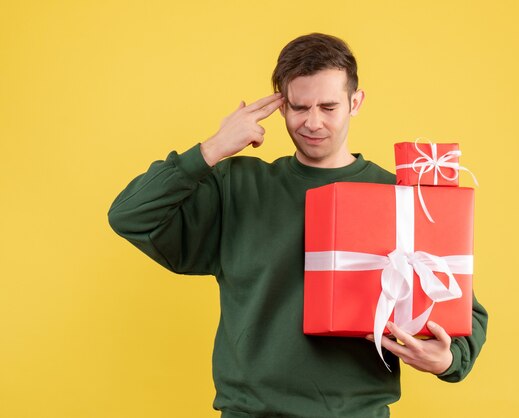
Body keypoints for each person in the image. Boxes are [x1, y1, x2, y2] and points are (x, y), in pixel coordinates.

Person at [108, 33, 488, 418]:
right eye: (299, 107)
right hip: (249, 412)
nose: (313, 122)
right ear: (280, 106)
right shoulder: (236, 186)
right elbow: (130, 214)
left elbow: (465, 311)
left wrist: (447, 359)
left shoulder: (401, 196)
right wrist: (212, 149)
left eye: (328, 106)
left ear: (356, 103)